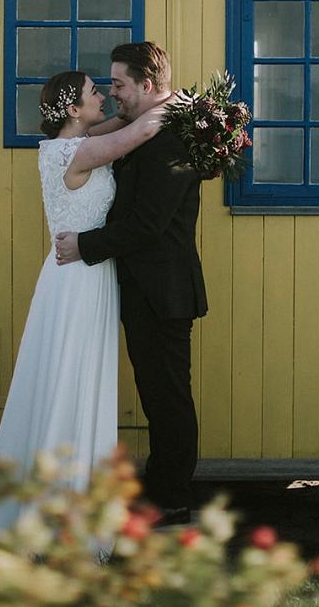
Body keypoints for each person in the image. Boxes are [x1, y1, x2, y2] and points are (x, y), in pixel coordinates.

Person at [0, 70, 164, 535]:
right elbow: (141, 130)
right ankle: (59, 506)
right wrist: (179, 101)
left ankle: (72, 495)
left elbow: (118, 126)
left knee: (79, 374)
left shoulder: (76, 143)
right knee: (72, 375)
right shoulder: (76, 152)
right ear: (72, 109)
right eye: (93, 92)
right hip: (78, 280)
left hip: (85, 272)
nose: (102, 96)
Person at [54, 42, 208, 527]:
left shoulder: (171, 142)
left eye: (119, 84)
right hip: (145, 289)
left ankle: (172, 501)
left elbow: (147, 224)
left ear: (147, 84)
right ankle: (160, 491)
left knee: (167, 399)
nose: (114, 91)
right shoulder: (146, 129)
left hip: (164, 292)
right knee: (157, 395)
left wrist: (85, 245)